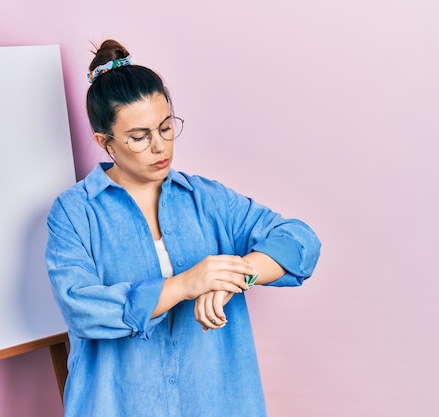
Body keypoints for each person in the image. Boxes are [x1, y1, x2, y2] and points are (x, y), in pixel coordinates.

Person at [45, 39, 321, 417]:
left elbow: (300, 242)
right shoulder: (75, 212)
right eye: (139, 137)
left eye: (165, 127)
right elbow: (83, 308)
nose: (160, 147)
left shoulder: (207, 199)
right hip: (118, 405)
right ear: (104, 142)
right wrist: (186, 284)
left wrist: (233, 278)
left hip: (217, 403)